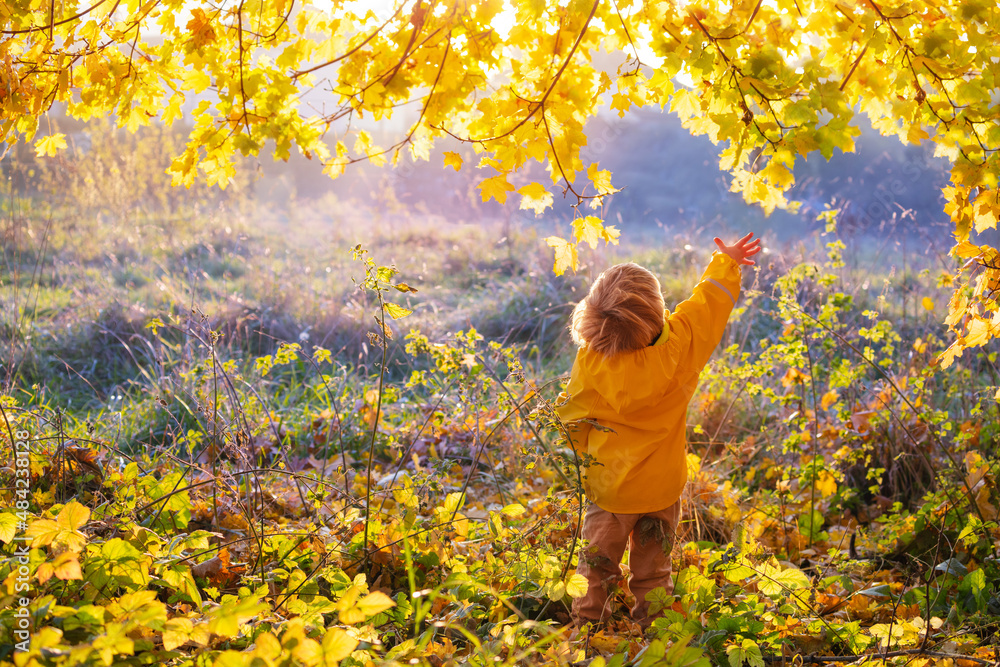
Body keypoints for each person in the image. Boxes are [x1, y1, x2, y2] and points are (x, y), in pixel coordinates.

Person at [558, 233, 761, 627]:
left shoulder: (592, 361)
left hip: (611, 489)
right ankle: (657, 634)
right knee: (654, 573)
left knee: (596, 569)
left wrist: (585, 460)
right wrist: (726, 261)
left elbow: (571, 419)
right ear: (655, 309)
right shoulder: (682, 342)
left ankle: (588, 634)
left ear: (596, 316)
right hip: (663, 487)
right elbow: (709, 305)